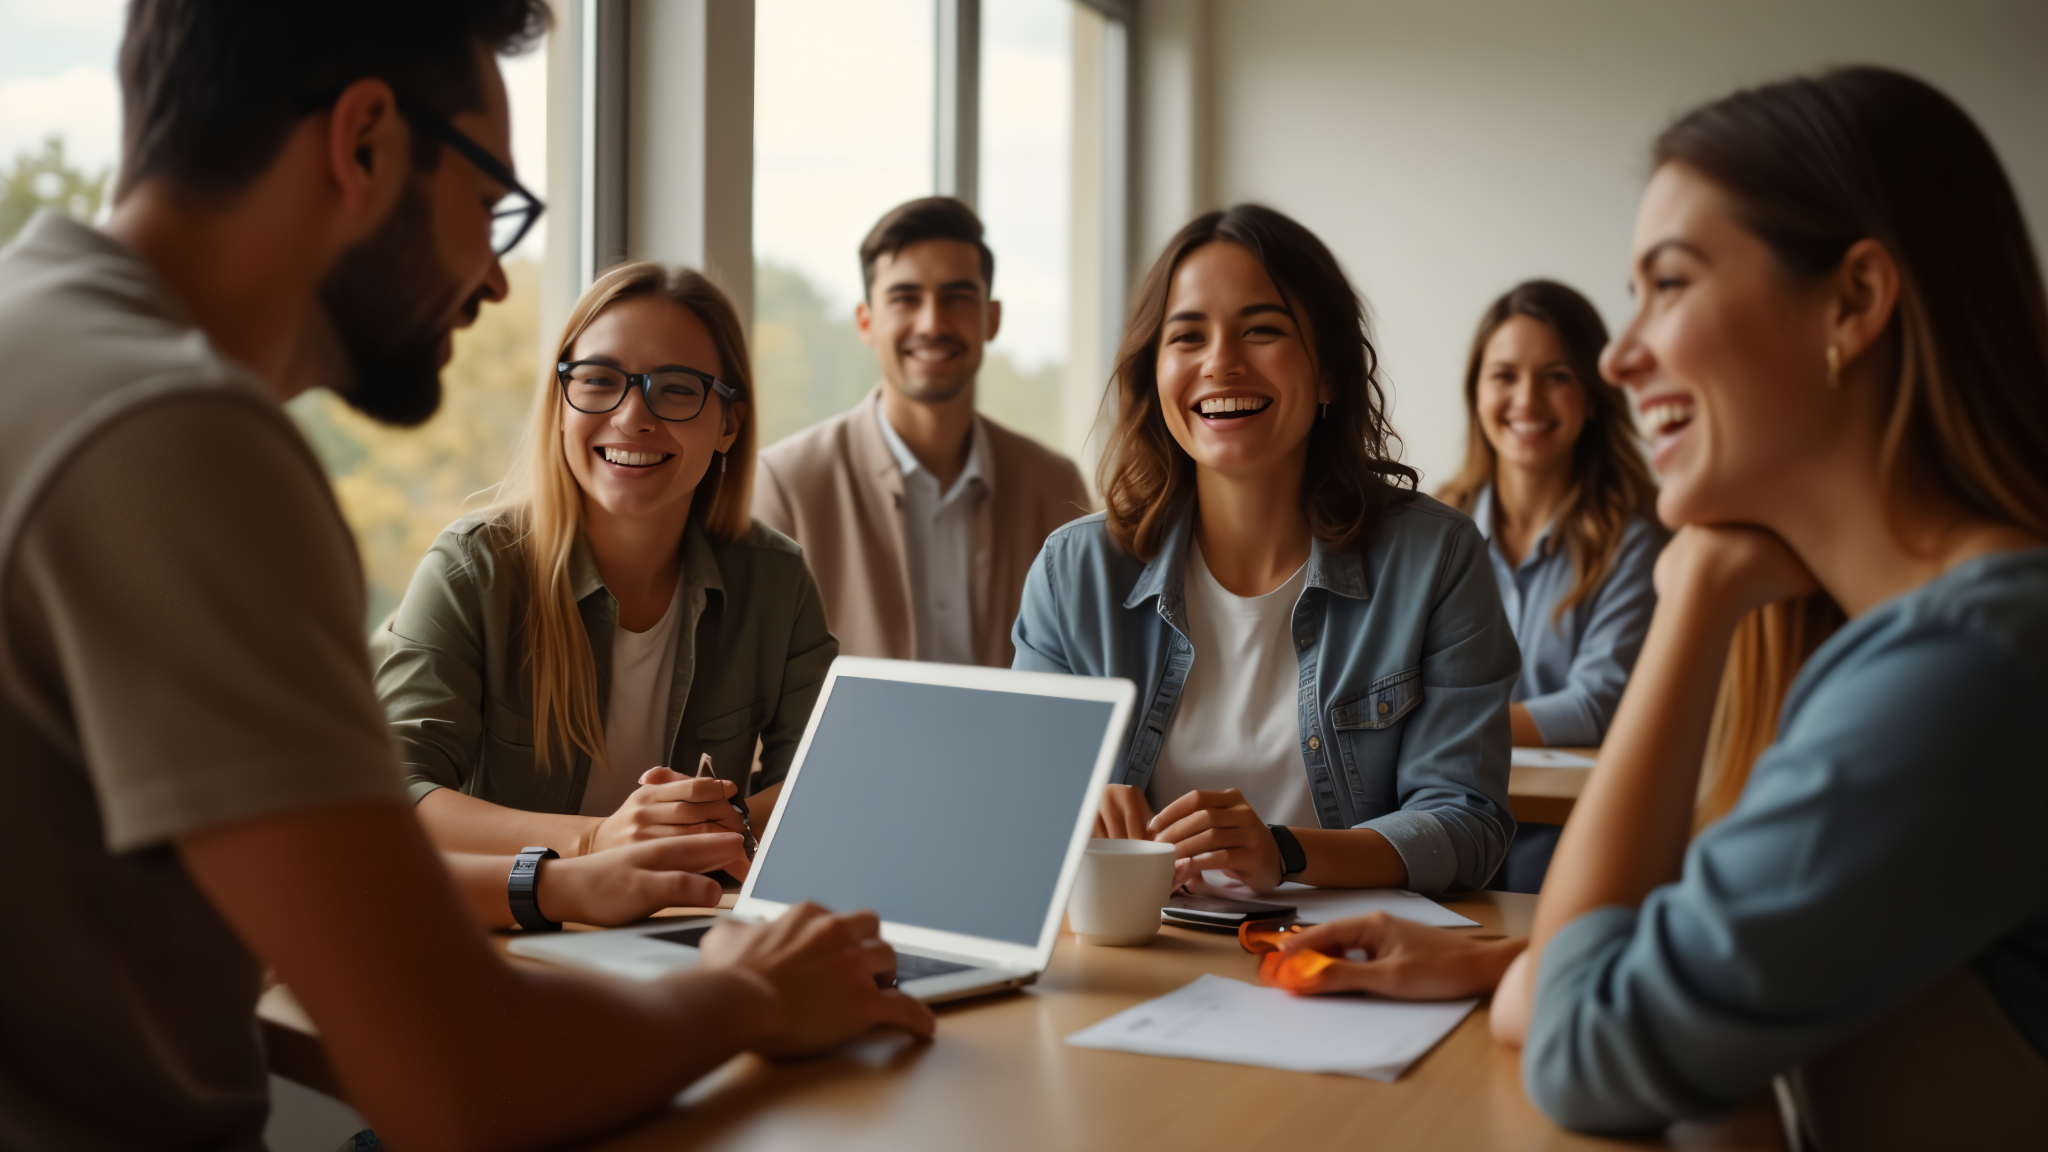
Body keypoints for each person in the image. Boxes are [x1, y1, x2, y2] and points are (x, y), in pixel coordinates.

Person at [0, 3, 930, 1149]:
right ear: (364, 143)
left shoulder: (37, 345)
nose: (494, 279)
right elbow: (461, 1076)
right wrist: (753, 994)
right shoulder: (177, 434)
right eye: (492, 203)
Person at [1259, 67, 2048, 1147]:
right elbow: (1765, 944)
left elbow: (1578, 1051)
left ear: (1854, 302)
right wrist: (1504, 963)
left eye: (1666, 285)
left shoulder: (1963, 670)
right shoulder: (1928, 643)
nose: (1622, 359)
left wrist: (1696, 594)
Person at [1012, 204, 1518, 899]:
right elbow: (1018, 810)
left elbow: (1469, 823)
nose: (1221, 363)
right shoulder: (1072, 574)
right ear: (1154, 377)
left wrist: (1285, 852)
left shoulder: (1437, 558)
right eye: (1186, 338)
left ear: (1330, 375)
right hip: (1141, 955)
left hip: (1345, 960)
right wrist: (1069, 811)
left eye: (1262, 331)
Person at [374, 261, 831, 909]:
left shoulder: (775, 579)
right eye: (598, 381)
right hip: (510, 938)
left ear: (728, 422)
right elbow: (394, 795)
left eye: (676, 389)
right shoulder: (470, 569)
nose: (632, 417)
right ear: (561, 404)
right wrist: (600, 843)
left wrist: (727, 827)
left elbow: (824, 776)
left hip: (686, 933)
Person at [752, 197, 1091, 666]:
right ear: (866, 322)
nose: (932, 322)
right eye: (905, 298)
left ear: (991, 319)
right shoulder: (784, 485)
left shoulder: (1054, 488)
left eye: (957, 297)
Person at [1436, 280, 1665, 892]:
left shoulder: (1633, 538)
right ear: (1477, 394)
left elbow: (1595, 707)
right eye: (1504, 375)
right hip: (1442, 832)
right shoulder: (1431, 529)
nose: (1527, 399)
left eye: (1556, 375)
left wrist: (1450, 721)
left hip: (1569, 850)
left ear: (1593, 396)